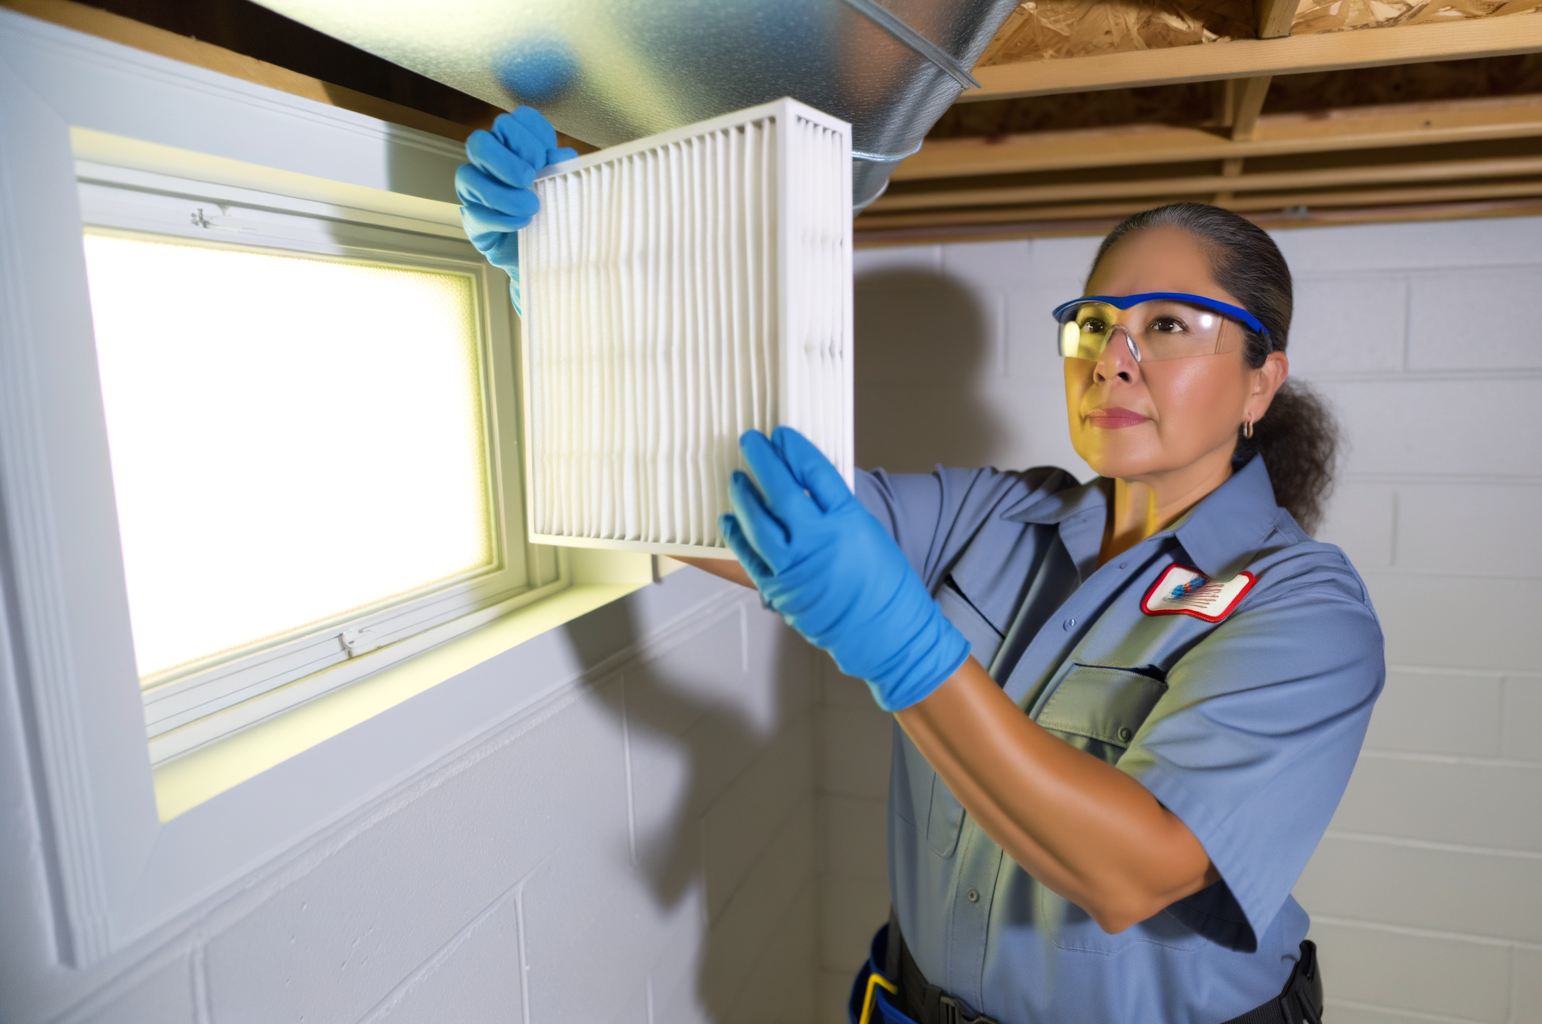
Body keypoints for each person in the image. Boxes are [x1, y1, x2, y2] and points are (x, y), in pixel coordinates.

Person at [460, 109, 1384, 1024]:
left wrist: (901, 648)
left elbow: (1132, 873)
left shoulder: (1307, 610)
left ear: (1261, 380)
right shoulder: (997, 514)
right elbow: (720, 504)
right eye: (1095, 325)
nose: (1112, 361)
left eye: (1171, 326)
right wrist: (566, 293)